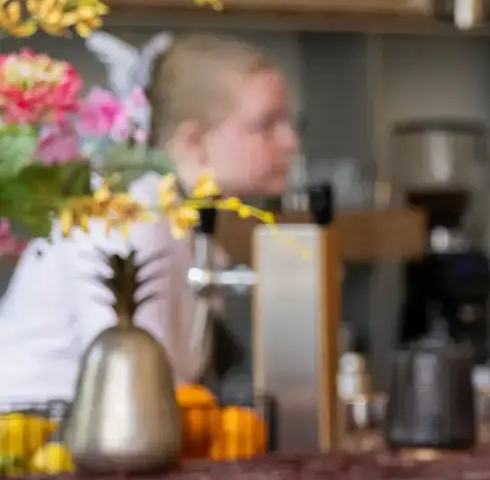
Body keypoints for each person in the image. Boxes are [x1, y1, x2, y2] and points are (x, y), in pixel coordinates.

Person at [0, 34, 297, 405]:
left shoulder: (176, 217)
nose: (290, 142)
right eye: (266, 124)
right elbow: (130, 389)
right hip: (31, 434)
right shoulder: (130, 217)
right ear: (194, 141)